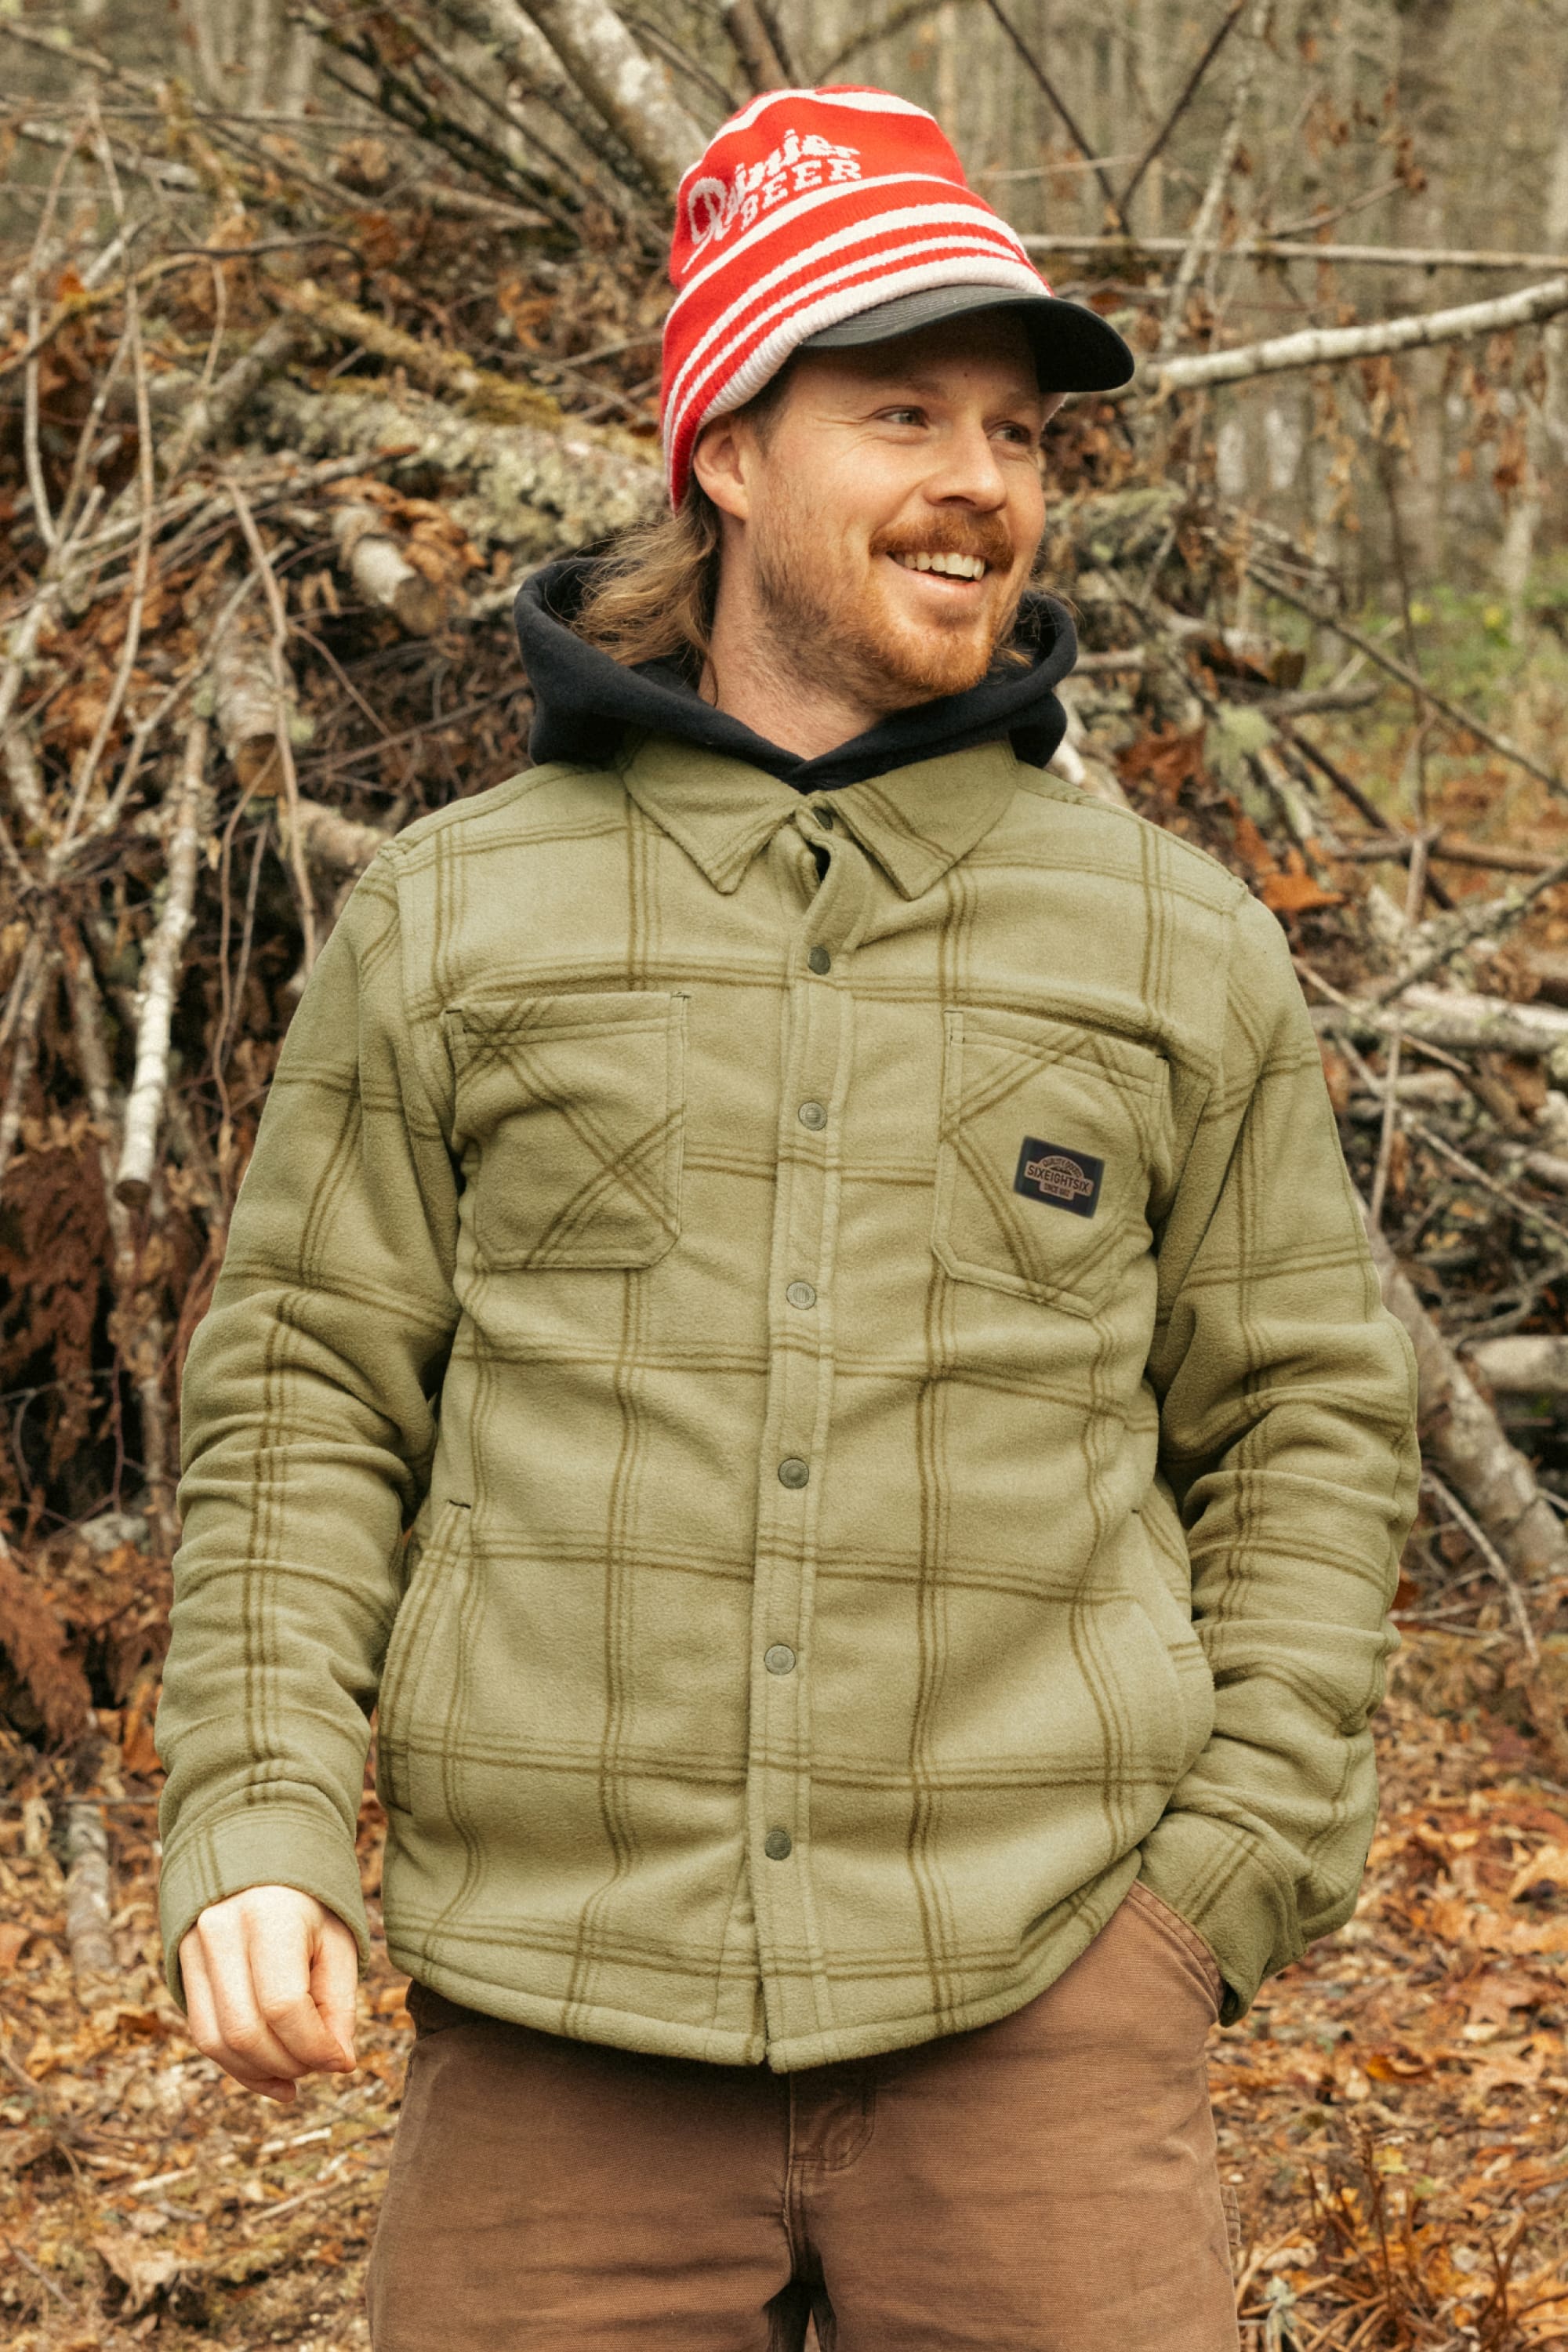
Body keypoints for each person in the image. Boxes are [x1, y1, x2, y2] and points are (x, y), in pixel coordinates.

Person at [156, 84, 1420, 2352]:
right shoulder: (461, 918)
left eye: (1020, 434)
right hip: (558, 2034)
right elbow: (302, 1397)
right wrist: (254, 1816)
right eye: (904, 410)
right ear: (728, 451)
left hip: (1043, 2016)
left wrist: (1209, 1898)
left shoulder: (1169, 943)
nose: (984, 482)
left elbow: (1314, 1425)